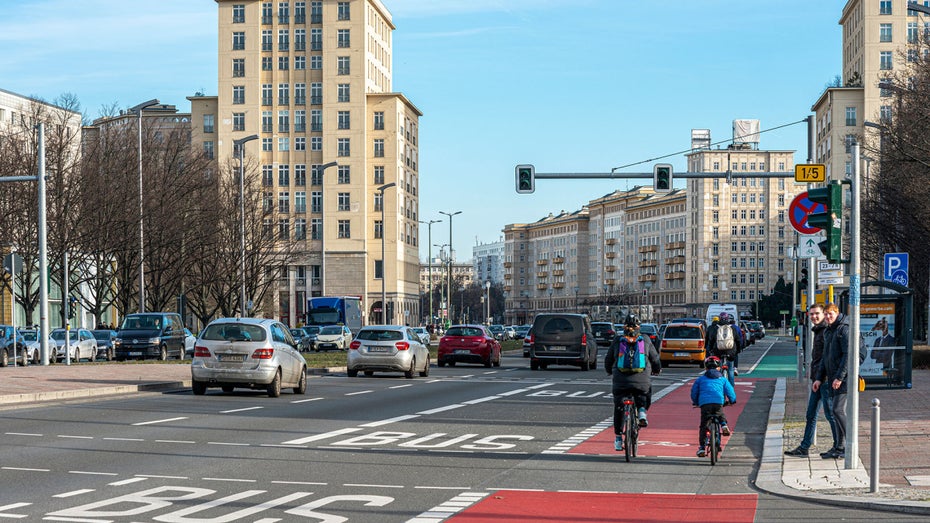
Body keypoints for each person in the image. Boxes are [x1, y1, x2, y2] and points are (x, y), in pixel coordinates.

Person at [813, 303, 867, 460]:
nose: (828, 316)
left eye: (831, 314)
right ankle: (839, 447)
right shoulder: (829, 331)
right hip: (833, 376)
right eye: (826, 314)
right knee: (834, 412)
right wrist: (818, 378)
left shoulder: (844, 329)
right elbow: (825, 357)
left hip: (845, 377)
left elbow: (848, 356)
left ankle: (850, 443)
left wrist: (839, 377)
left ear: (837, 313)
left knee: (837, 410)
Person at [785, 303, 838, 457]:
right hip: (818, 379)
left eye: (817, 314)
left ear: (823, 314)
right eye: (812, 314)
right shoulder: (819, 330)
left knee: (830, 414)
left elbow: (825, 359)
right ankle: (805, 446)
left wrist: (820, 378)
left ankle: (839, 446)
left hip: (825, 380)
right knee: (811, 414)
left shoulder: (825, 331)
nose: (814, 317)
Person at [604, 313, 661, 451]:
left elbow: (608, 359)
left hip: (620, 381)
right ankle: (642, 411)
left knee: (619, 408)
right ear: (638, 327)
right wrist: (656, 369)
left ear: (624, 326)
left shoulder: (618, 340)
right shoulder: (645, 339)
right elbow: (655, 359)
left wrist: (609, 371)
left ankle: (618, 438)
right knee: (644, 393)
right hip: (641, 380)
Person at [691, 356, 736, 457]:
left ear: (706, 368)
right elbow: (730, 391)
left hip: (705, 403)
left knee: (703, 425)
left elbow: (694, 392)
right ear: (719, 368)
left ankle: (702, 448)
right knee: (720, 414)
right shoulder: (723, 379)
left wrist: (696, 402)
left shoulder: (700, 379)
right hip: (718, 401)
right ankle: (723, 424)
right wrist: (732, 400)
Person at [705, 312, 744, 383]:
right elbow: (737, 340)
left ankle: (719, 383)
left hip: (718, 351)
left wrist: (710, 349)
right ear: (727, 319)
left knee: (718, 368)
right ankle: (731, 388)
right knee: (730, 369)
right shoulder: (732, 328)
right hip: (730, 351)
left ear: (719, 319)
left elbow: (711, 340)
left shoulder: (716, 328)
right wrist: (738, 350)